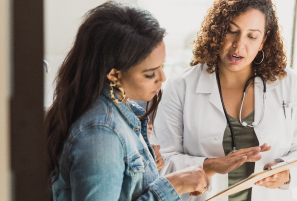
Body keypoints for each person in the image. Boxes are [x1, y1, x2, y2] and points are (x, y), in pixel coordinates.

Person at [150, 0, 297, 200]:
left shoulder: (288, 83)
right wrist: (211, 165)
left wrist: (285, 174)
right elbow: (161, 160)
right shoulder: (182, 85)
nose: (239, 45)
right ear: (217, 31)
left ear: (263, 40)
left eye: (252, 36)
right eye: (231, 31)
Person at [45, 2, 209, 201]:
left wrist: (146, 166)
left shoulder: (119, 110)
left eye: (161, 66)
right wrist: (172, 186)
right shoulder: (101, 133)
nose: (162, 78)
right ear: (114, 74)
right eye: (150, 74)